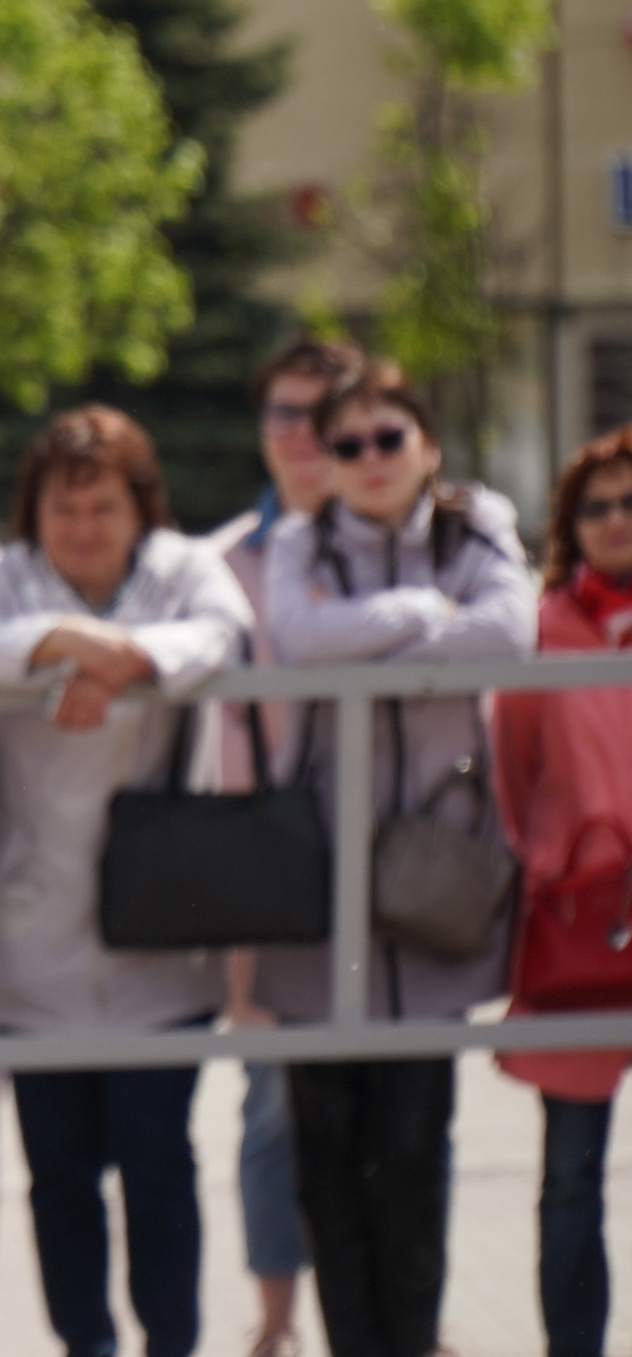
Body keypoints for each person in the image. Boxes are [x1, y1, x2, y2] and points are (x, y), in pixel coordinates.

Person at [0, 405, 251, 1357]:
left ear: (139, 506)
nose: (81, 528)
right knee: (60, 1175)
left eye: (102, 507)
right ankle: (85, 1345)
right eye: (63, 509)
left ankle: (172, 1345)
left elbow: (227, 635)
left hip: (162, 925)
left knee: (158, 1166)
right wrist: (64, 639)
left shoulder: (182, 568)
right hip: (37, 938)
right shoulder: (8, 577)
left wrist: (134, 660)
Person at [258, 361, 535, 1357]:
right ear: (324, 462)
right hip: (317, 885)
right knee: (324, 1154)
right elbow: (295, 635)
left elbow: (508, 632)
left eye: (388, 438)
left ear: (427, 444)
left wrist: (366, 640)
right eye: (347, 445)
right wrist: (421, 619)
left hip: (431, 886)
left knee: (414, 1144)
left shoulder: (476, 527)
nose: (370, 460)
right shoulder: (299, 540)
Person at [206, 335, 363, 1357]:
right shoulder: (223, 562)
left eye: (319, 417)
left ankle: (391, 1313)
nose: (298, 437)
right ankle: (273, 1323)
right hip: (261, 867)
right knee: (269, 1108)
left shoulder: (394, 549)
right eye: (280, 416)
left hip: (383, 862)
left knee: (394, 1102)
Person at [493, 424, 632, 1357]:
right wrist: (552, 861)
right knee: (573, 1172)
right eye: (597, 504)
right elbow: (511, 772)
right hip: (585, 924)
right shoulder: (539, 632)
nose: (617, 518)